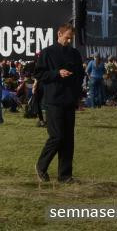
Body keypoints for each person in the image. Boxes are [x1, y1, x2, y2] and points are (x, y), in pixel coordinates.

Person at [35, 22, 84, 184]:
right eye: (67, 38)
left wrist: (78, 96)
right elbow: (39, 74)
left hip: (69, 100)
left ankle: (65, 175)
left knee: (68, 139)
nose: (69, 41)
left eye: (71, 39)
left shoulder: (75, 54)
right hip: (53, 100)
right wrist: (57, 73)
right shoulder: (47, 53)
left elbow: (80, 76)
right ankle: (41, 166)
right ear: (59, 34)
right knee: (57, 136)